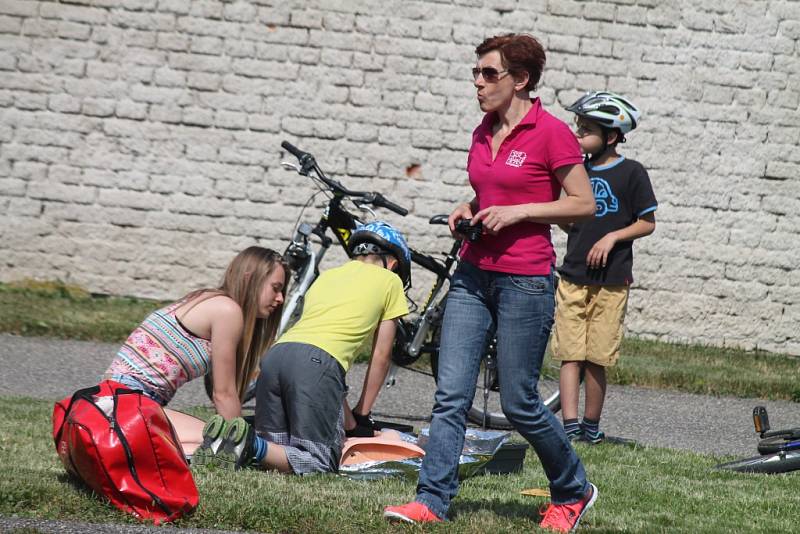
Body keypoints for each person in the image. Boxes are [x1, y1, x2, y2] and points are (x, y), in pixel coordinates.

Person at [384, 34, 598, 532]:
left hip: (525, 279)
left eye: (489, 74)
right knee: (450, 394)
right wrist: (470, 208)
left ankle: (573, 489)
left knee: (519, 401)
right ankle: (432, 500)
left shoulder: (552, 133)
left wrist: (521, 211)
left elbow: (582, 204)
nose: (478, 83)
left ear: (520, 80)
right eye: (476, 73)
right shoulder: (483, 130)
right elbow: (490, 191)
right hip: (473, 274)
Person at [202, 221, 411, 474]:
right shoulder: (390, 281)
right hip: (317, 365)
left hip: (277, 356)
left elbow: (327, 374)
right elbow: (380, 355)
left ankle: (235, 438)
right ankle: (249, 443)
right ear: (394, 263)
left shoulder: (328, 277)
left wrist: (350, 422)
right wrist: (363, 414)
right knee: (319, 461)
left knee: (277, 449)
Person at [102, 246, 287, 464]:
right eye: (275, 288)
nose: (281, 298)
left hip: (113, 402)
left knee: (210, 443)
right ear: (249, 279)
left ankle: (137, 450)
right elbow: (224, 393)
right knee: (221, 442)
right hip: (126, 405)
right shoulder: (227, 310)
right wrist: (240, 442)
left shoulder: (207, 298)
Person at [553, 91, 658, 444]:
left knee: (596, 357)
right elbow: (567, 215)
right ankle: (569, 427)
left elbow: (647, 222)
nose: (578, 133)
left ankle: (590, 427)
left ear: (611, 136)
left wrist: (612, 237)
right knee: (570, 354)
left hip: (611, 281)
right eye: (578, 126)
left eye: (587, 129)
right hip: (573, 276)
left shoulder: (632, 173)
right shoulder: (575, 171)